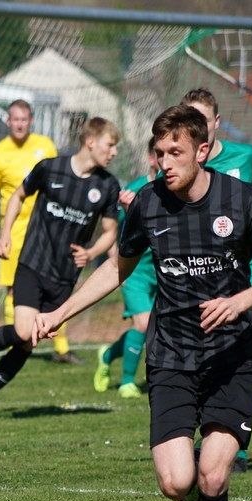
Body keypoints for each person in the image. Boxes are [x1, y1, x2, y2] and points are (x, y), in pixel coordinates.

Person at [32, 105, 252, 501]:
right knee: (176, 483)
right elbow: (117, 269)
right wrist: (61, 312)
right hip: (172, 355)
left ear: (202, 151)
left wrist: (239, 302)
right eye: (159, 152)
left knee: (213, 475)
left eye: (175, 152)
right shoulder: (148, 204)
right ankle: (192, 499)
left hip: (234, 356)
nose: (164, 161)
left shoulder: (240, 199)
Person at [0, 117, 122, 419]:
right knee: (23, 330)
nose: (114, 152)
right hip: (32, 263)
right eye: (110, 145)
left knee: (28, 343)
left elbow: (110, 231)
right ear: (91, 141)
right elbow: (18, 196)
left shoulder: (108, 185)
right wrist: (5, 233)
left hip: (65, 277)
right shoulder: (50, 168)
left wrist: (92, 251)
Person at [181, 88, 252, 472]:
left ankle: (234, 444)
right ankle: (211, 433)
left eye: (201, 119)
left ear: (216, 122)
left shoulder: (245, 156)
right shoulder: (180, 167)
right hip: (204, 277)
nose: (196, 126)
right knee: (207, 356)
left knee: (249, 357)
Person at [0, 100, 82, 365]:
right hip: (13, 230)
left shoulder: (45, 146)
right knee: (14, 290)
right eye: (15, 119)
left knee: (55, 288)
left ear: (31, 121)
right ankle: (18, 344)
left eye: (24, 119)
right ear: (8, 121)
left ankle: (62, 349)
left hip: (46, 230)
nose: (20, 124)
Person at [93, 136, 158, 399]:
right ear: (151, 158)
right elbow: (110, 228)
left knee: (155, 327)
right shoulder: (135, 190)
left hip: (163, 271)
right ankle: (127, 382)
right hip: (136, 271)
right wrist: (117, 263)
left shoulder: (174, 191)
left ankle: (108, 355)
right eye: (161, 154)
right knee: (143, 322)